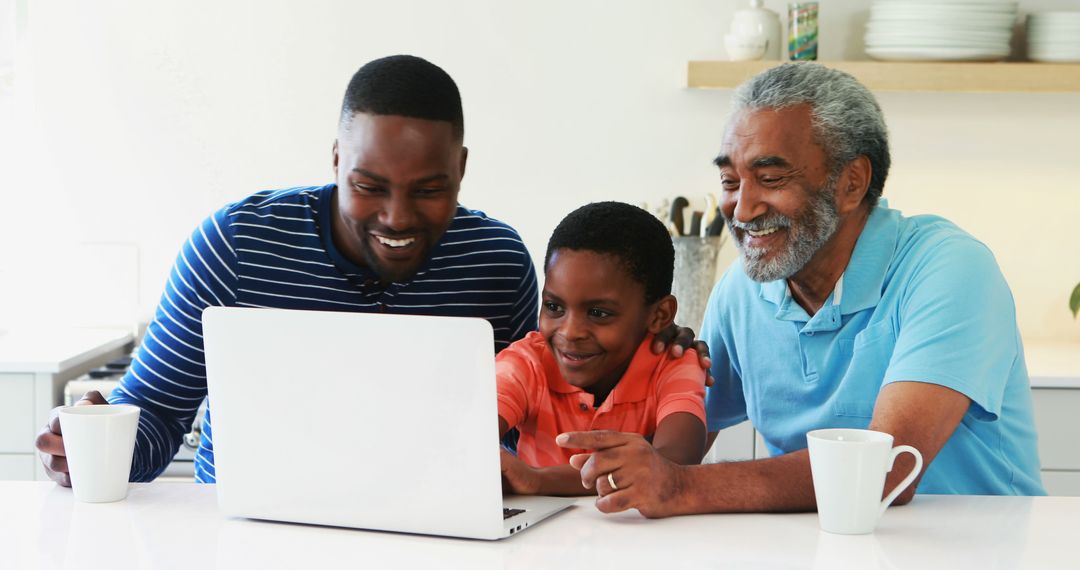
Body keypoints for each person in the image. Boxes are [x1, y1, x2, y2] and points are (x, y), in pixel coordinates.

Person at [35, 55, 705, 486]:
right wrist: (90, 444)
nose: (397, 216)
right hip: (247, 538)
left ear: (463, 170)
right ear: (335, 161)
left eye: (429, 188)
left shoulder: (497, 263)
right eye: (370, 185)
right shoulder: (234, 246)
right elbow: (151, 425)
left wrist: (654, 348)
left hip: (434, 540)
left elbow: (530, 414)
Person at [557, 62, 1045, 518]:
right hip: (820, 547)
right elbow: (668, 446)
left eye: (769, 178)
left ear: (851, 183)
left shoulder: (949, 269)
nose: (742, 209)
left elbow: (888, 471)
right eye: (730, 180)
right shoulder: (741, 294)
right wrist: (655, 376)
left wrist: (680, 486)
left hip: (983, 548)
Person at [497, 202, 707, 496]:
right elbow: (466, 437)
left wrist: (537, 479)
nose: (569, 332)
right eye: (554, 307)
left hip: (644, 539)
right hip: (539, 541)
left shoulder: (673, 362)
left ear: (659, 315)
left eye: (598, 313)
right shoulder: (528, 361)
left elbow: (675, 460)